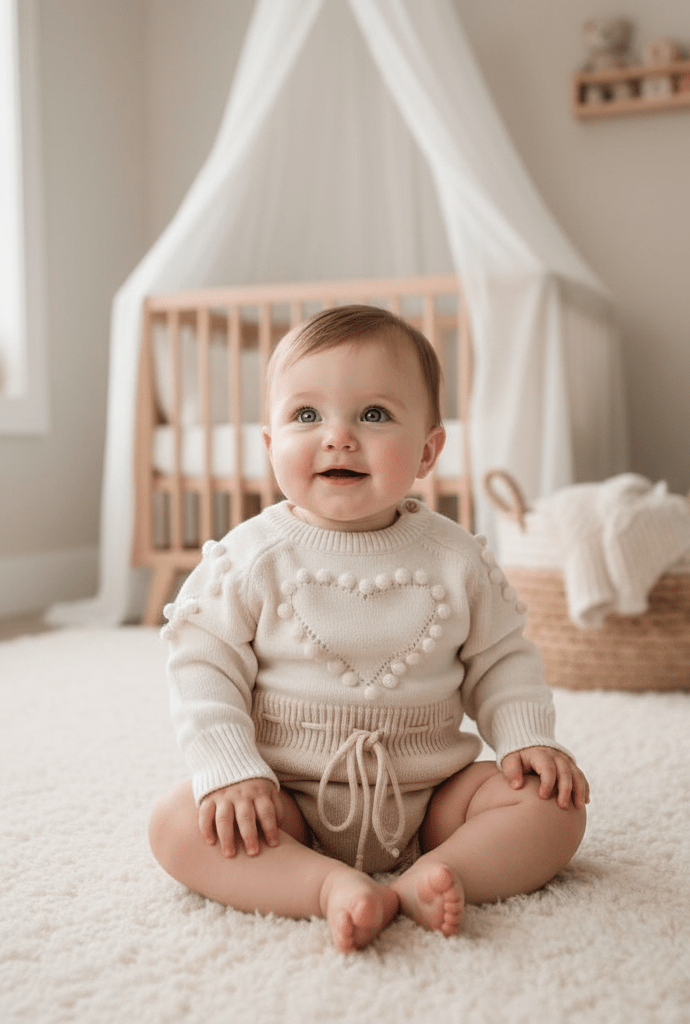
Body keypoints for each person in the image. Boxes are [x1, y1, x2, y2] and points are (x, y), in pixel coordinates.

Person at [148, 305, 589, 952]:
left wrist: (526, 739)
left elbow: (501, 658)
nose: (338, 437)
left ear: (427, 452)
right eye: (306, 416)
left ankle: (437, 875)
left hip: (435, 797)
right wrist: (231, 769)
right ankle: (325, 886)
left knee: (556, 810)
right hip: (287, 801)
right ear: (271, 446)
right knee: (177, 825)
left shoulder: (456, 556)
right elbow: (201, 665)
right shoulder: (249, 558)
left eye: (374, 414)